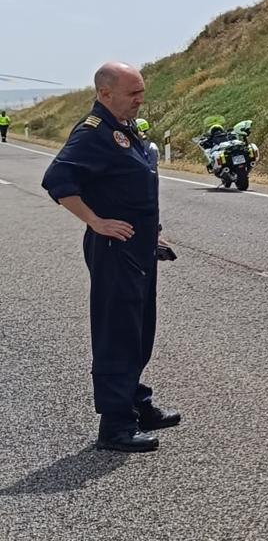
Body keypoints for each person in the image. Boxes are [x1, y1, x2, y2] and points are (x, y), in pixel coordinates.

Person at [41, 62, 178, 451]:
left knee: (139, 329)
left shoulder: (125, 129)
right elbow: (57, 180)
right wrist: (96, 221)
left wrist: (154, 234)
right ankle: (115, 426)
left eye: (141, 91)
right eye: (133, 93)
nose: (141, 99)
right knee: (117, 332)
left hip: (139, 247)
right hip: (115, 249)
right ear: (105, 94)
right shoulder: (93, 134)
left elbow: (133, 189)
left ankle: (136, 402)